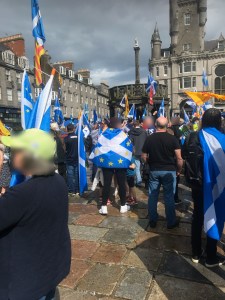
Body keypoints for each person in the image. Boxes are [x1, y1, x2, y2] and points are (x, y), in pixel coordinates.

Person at [0, 128, 71, 299]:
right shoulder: (58, 181)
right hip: (48, 272)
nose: (9, 155)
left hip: (24, 284)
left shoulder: (23, 194)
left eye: (14, 151)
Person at [183, 108, 225, 267]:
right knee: (215, 215)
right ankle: (211, 256)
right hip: (216, 185)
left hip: (196, 183)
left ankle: (195, 252)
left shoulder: (192, 136)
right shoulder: (222, 138)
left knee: (198, 215)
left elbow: (184, 155)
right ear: (218, 121)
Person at [142, 117, 183, 229]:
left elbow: (144, 156)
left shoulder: (149, 139)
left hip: (154, 170)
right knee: (169, 197)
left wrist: (149, 163)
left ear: (155, 124)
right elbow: (179, 159)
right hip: (169, 170)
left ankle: (153, 220)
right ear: (167, 125)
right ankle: (171, 222)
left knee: (152, 196)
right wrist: (179, 171)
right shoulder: (172, 139)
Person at [97, 117, 131, 215]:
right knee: (121, 183)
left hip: (107, 162)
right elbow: (128, 147)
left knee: (106, 184)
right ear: (118, 124)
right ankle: (123, 206)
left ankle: (103, 207)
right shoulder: (122, 134)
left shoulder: (104, 134)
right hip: (120, 163)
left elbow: (99, 147)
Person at [129, 120, 147, 186]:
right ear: (139, 124)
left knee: (137, 167)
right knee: (142, 166)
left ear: (133, 125)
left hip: (135, 151)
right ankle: (140, 180)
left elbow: (130, 142)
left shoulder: (131, 132)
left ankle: (138, 181)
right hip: (143, 151)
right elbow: (146, 141)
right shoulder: (144, 132)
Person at [64, 123, 79, 196]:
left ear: (67, 129)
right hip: (77, 159)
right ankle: (77, 190)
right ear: (73, 129)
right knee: (76, 175)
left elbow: (64, 149)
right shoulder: (78, 137)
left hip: (69, 159)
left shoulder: (66, 139)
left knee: (70, 176)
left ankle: (71, 190)